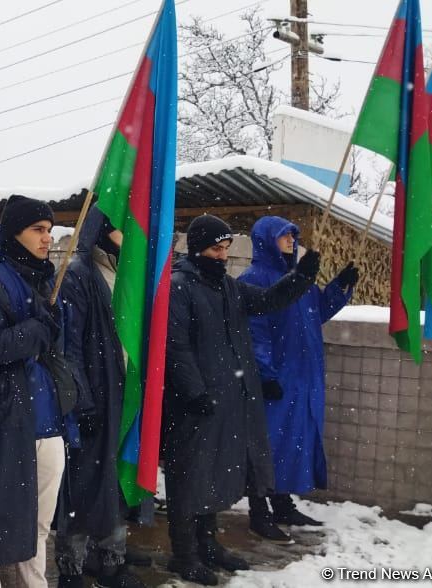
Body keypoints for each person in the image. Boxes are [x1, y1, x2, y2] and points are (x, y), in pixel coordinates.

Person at [164, 214, 319, 586]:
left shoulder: (228, 287)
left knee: (213, 475)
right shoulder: (179, 287)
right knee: (188, 479)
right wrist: (194, 392)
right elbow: (176, 347)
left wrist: (301, 277)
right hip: (194, 404)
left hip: (227, 400)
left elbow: (267, 301)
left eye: (225, 249)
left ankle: (209, 544)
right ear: (198, 248)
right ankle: (183, 554)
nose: (222, 256)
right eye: (216, 249)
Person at [0, 194, 75, 588]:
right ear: (14, 233)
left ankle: (33, 583)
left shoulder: (44, 281)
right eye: (37, 230)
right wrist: (37, 330)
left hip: (46, 421)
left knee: (38, 524)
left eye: (50, 231)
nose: (46, 239)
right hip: (2, 421)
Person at [238, 216, 357, 541]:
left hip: (303, 378)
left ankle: (282, 503)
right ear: (266, 240)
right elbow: (254, 332)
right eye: (285, 236)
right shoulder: (256, 279)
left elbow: (317, 312)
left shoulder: (297, 279)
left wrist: (339, 285)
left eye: (294, 235)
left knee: (292, 444)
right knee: (269, 446)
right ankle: (259, 512)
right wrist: (265, 374)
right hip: (278, 380)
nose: (292, 240)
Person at [55, 207, 145, 588]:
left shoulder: (128, 274)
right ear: (104, 230)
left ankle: (111, 558)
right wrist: (83, 400)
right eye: (124, 228)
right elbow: (69, 346)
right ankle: (71, 568)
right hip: (95, 397)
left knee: (117, 481)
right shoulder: (80, 275)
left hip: (124, 396)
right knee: (83, 484)